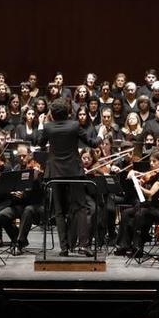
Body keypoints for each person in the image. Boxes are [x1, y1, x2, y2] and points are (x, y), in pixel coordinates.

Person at [35, 98, 96, 256]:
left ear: (53, 115)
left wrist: (42, 125)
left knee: (60, 210)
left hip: (55, 173)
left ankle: (64, 248)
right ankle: (84, 245)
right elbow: (92, 142)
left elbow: (40, 143)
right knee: (81, 207)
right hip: (74, 171)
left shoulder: (48, 127)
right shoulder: (75, 125)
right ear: (68, 112)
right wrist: (101, 135)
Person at [114, 152, 159, 258]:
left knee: (140, 214)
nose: (151, 164)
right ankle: (123, 245)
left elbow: (151, 193)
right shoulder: (152, 174)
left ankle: (137, 247)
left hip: (157, 208)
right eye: (151, 161)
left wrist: (139, 187)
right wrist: (134, 173)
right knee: (126, 213)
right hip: (147, 205)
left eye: (154, 161)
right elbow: (143, 175)